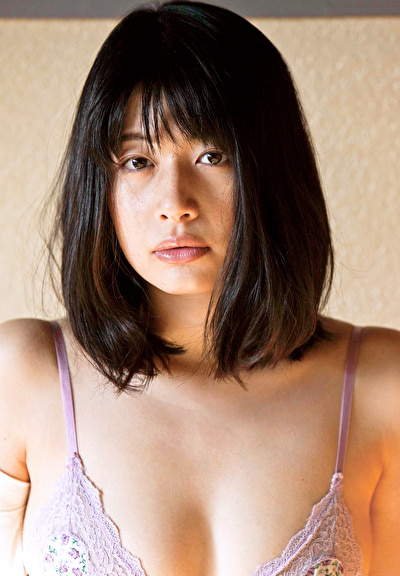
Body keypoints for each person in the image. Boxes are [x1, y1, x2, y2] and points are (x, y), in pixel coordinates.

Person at [0, 1, 399, 574]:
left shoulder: (381, 387)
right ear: (98, 182)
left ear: (271, 170)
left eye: (212, 155)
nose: (175, 204)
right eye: (137, 160)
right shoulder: (22, 376)